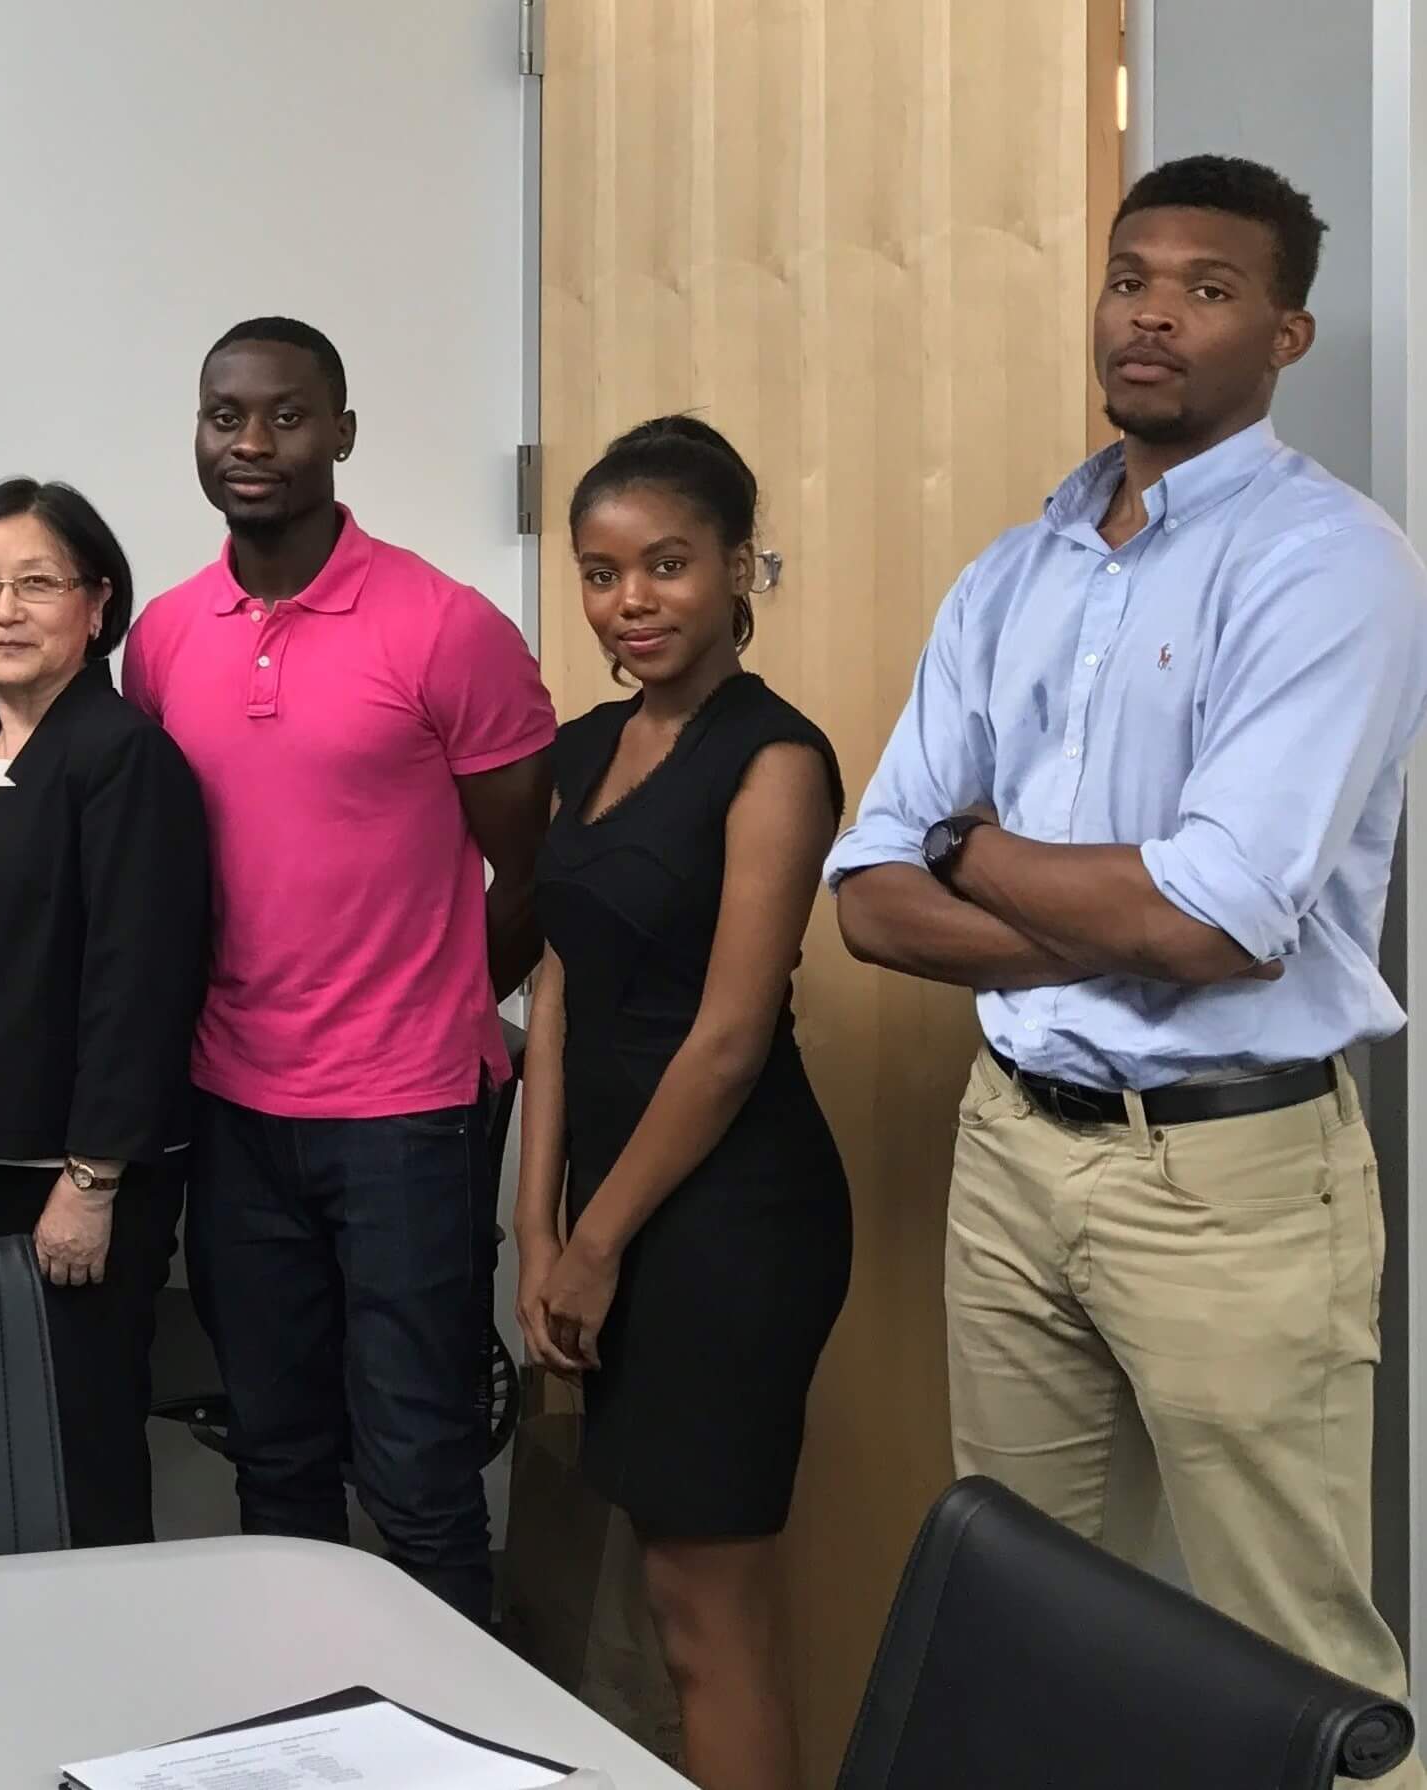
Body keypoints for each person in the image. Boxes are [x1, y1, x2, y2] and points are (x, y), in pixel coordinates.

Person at [830, 155, 1427, 1743]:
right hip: (1015, 1147)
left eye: (1208, 289)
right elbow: (867, 891)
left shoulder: (1332, 564)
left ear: (1286, 334)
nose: (1152, 314)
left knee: (1290, 1656)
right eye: (1129, 277)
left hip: (1227, 1181)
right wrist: (1080, 928)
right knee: (1025, 1613)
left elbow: (1218, 918)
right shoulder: (1014, 574)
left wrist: (980, 847)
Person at [124, 317, 556, 1621]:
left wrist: (428, 1013)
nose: (251, 443)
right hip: (234, 1109)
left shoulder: (446, 627)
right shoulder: (163, 636)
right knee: (277, 1462)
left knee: (420, 1466)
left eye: (287, 415)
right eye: (225, 415)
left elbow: (526, 873)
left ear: (344, 433)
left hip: (409, 1117)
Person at [521, 417, 847, 1790]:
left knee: (709, 1608)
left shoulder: (776, 758)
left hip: (730, 1219)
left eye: (666, 564)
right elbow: (556, 988)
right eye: (601, 573)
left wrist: (596, 1241)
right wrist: (538, 1230)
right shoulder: (586, 742)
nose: (631, 601)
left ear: (734, 569)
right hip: (606, 1204)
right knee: (655, 1595)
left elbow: (724, 1042)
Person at [0, 478, 208, 1548]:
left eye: (36, 583)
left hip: (66, 1180)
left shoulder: (121, 756)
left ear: (97, 603)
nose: (2, 609)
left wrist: (91, 1177)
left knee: (75, 1444)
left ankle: (106, 1685)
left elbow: (142, 979)